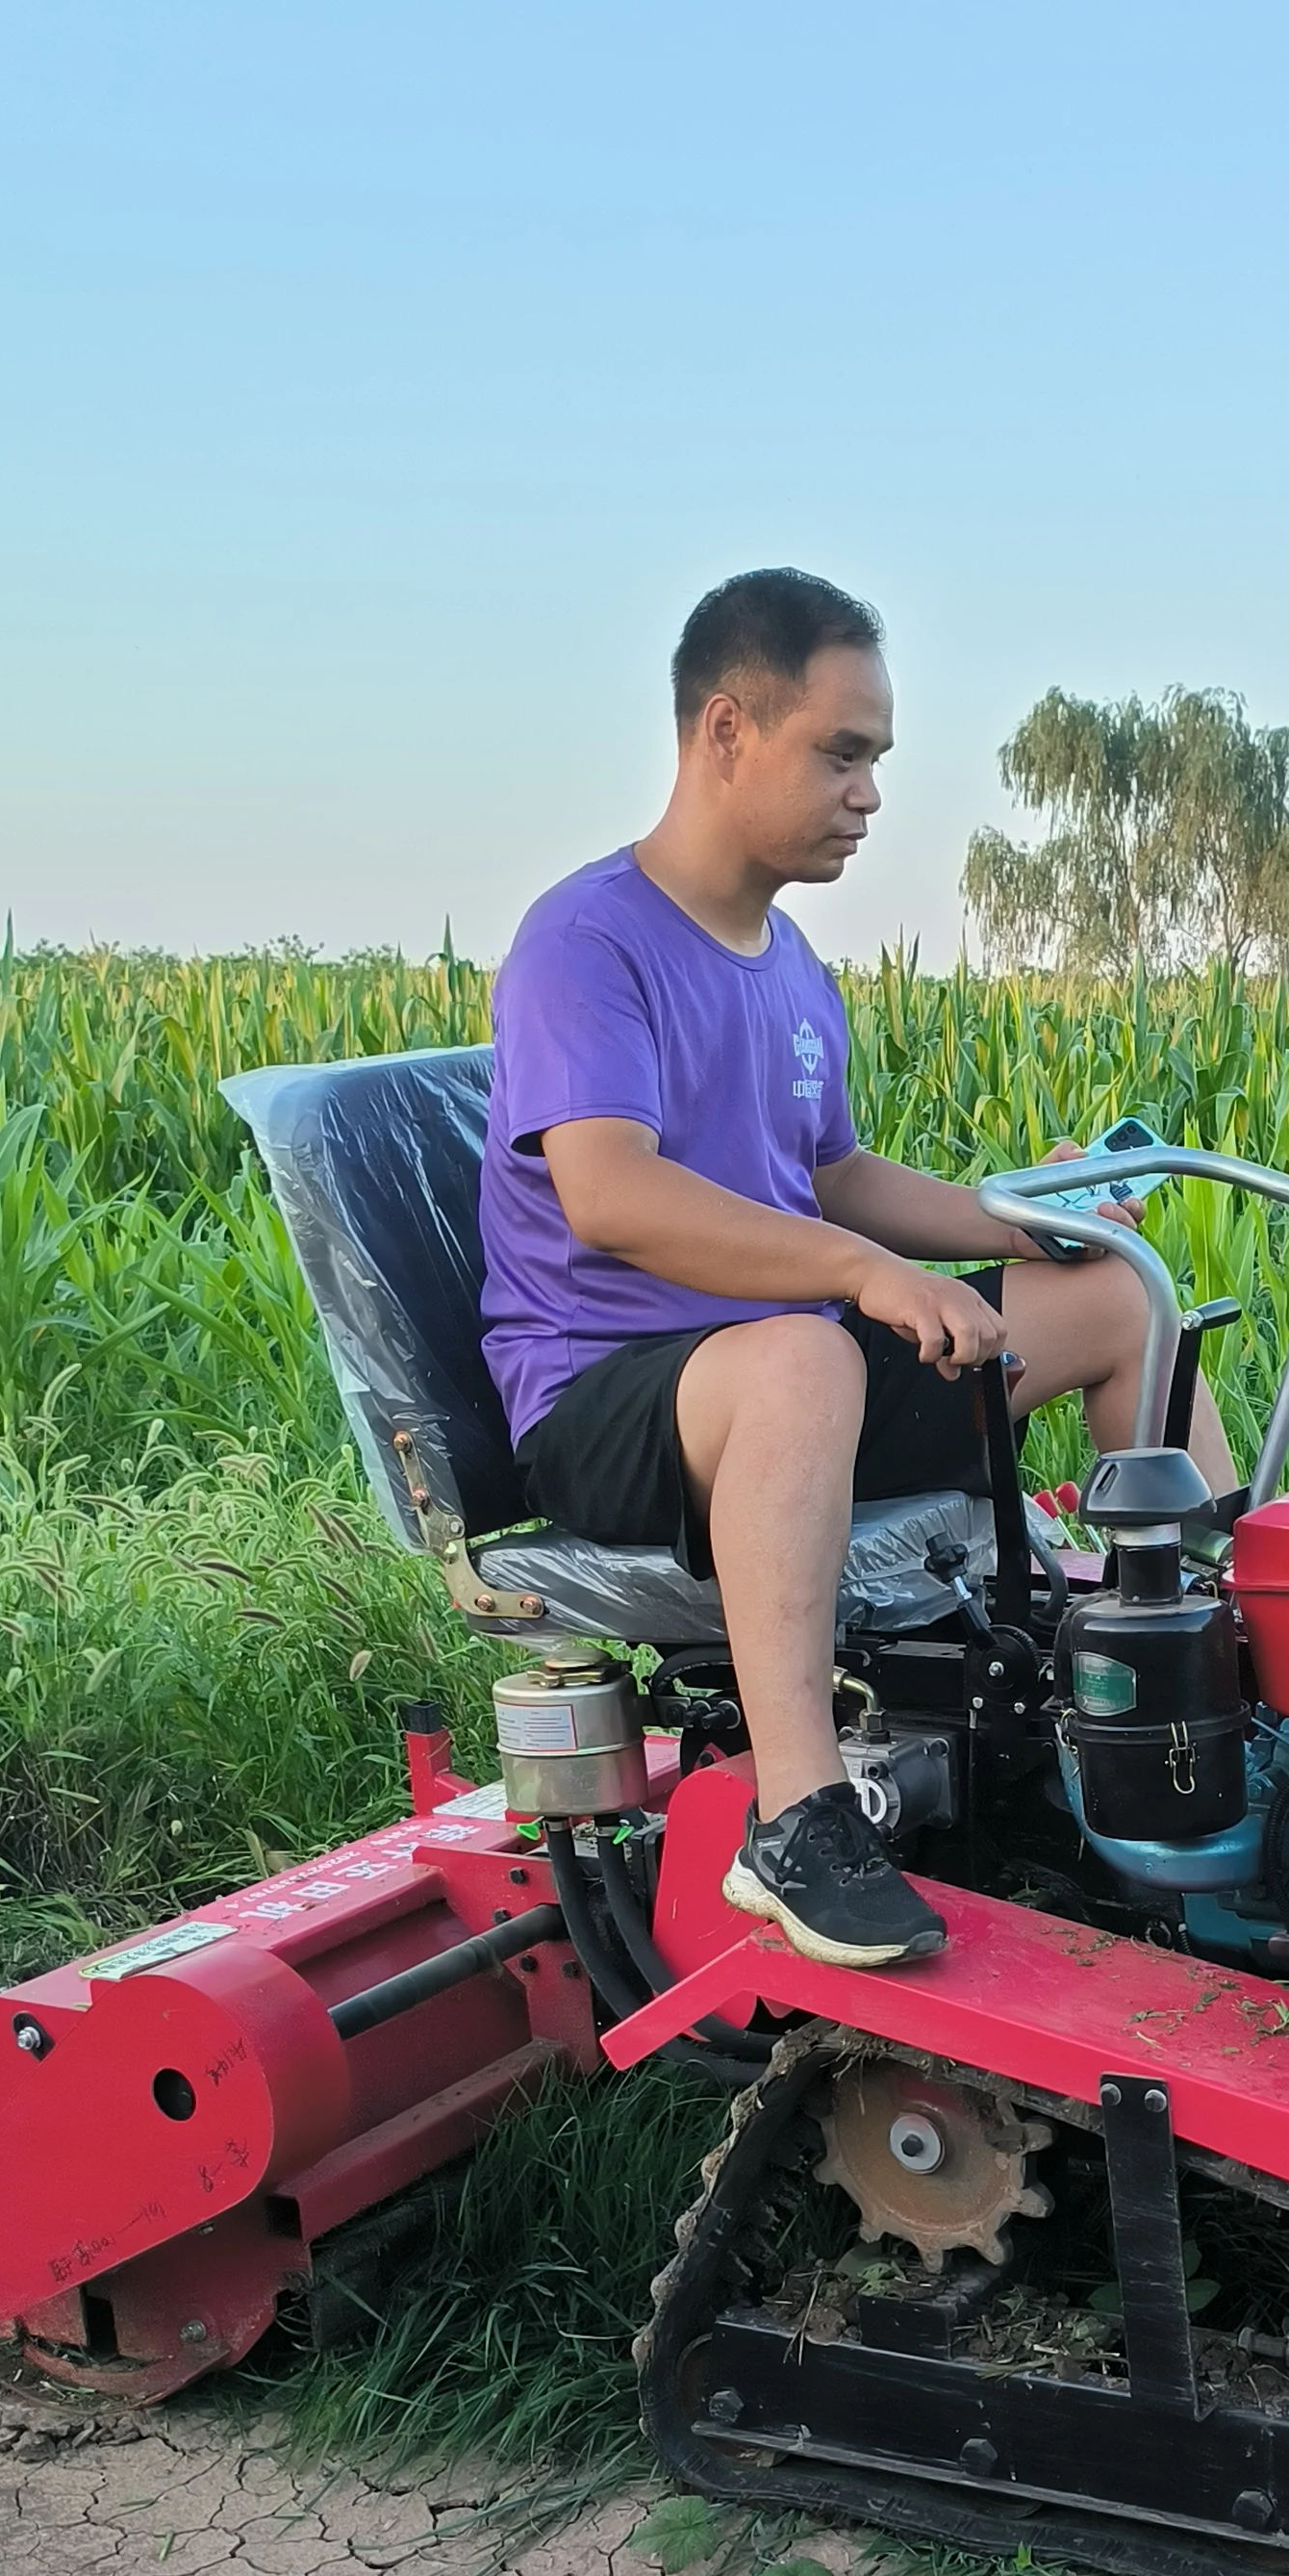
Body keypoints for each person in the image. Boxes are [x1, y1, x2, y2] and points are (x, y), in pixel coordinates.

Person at [476, 568, 1231, 1969]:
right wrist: (859, 1273)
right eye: (842, 752)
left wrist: (1021, 1229)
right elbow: (609, 1196)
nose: (869, 793)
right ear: (724, 732)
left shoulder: (786, 962)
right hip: (613, 1401)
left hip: (784, 1378)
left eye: (875, 758)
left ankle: (1199, 1672)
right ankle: (800, 1814)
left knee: (1118, 1297)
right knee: (808, 1349)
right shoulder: (587, 943)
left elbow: (832, 1174)